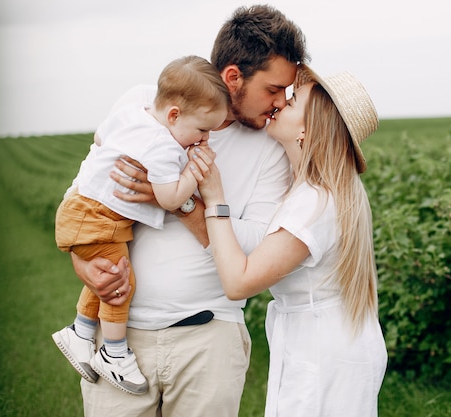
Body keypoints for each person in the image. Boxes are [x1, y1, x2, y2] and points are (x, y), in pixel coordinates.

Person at [65, 5, 309, 417]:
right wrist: (81, 263)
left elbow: (253, 251)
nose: (279, 102)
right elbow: (86, 192)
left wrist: (181, 203)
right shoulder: (145, 104)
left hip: (210, 339)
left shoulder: (272, 150)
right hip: (120, 336)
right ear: (233, 78)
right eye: (272, 89)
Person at [189, 64, 388, 417]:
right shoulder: (315, 190)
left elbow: (239, 282)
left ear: (307, 130)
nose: (281, 102)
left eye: (294, 102)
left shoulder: (313, 201)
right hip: (324, 341)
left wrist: (213, 198)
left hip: (322, 352)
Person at [51, 55, 229, 395]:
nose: (204, 139)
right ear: (174, 115)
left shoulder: (133, 114)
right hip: (96, 218)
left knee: (107, 273)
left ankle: (81, 330)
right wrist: (194, 171)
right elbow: (170, 199)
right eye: (203, 130)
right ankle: (114, 354)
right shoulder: (162, 146)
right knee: (121, 281)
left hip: (82, 208)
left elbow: (100, 137)